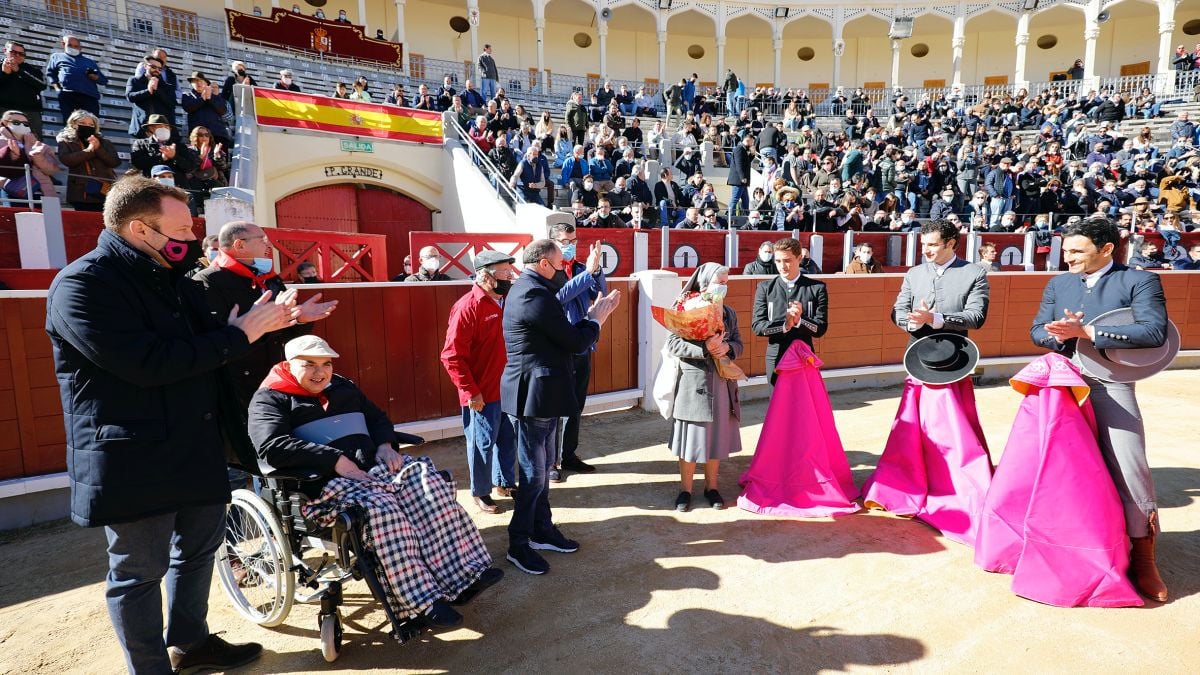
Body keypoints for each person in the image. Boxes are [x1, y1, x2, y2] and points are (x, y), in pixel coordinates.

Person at [45, 176, 298, 673]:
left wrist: (261, 324)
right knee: (138, 572)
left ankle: (191, 641)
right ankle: (150, 668)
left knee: (200, 549)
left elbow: (213, 344)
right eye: (181, 229)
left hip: (193, 442)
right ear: (141, 229)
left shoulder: (173, 279)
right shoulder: (82, 285)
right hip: (131, 456)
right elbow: (147, 363)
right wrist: (237, 336)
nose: (191, 238)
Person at [248, 335, 503, 631]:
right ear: (290, 365)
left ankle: (462, 576)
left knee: (429, 486)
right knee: (382, 510)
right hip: (325, 483)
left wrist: (384, 444)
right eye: (309, 365)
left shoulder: (341, 386)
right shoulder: (270, 397)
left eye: (326, 364)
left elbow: (377, 417)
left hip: (373, 467)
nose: (320, 373)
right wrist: (332, 460)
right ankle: (421, 602)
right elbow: (272, 446)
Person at [1029, 216, 1170, 602]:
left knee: (1129, 462)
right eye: (1066, 249)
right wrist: (1057, 333)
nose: (1068, 257)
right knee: (1053, 462)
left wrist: (1088, 332)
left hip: (1111, 381)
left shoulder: (1138, 280)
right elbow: (1037, 329)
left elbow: (1154, 331)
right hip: (1064, 379)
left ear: (1106, 249)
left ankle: (1143, 553)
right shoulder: (1059, 283)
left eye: (1077, 250)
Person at [862, 220, 992, 546]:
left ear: (951, 243)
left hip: (952, 361)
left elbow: (976, 317)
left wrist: (936, 319)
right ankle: (908, 481)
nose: (926, 250)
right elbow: (898, 309)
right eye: (924, 244)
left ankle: (953, 484)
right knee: (912, 427)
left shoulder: (973, 273)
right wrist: (909, 318)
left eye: (933, 244)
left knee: (951, 428)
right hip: (917, 357)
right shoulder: (914, 273)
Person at [501, 239, 621, 575]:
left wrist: (591, 313)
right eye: (558, 266)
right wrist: (596, 319)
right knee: (534, 475)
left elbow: (565, 332)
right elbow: (572, 340)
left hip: (544, 392)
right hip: (534, 395)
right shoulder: (531, 293)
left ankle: (541, 529)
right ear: (542, 264)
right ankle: (518, 542)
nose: (561, 272)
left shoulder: (533, 289)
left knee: (541, 472)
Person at [190, 220, 336, 408]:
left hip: (275, 373)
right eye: (262, 239)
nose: (268, 244)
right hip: (235, 383)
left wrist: (300, 319)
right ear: (240, 245)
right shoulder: (207, 281)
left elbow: (284, 330)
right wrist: (260, 323)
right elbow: (214, 339)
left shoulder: (269, 277)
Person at [441, 251, 519, 513]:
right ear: (486, 276)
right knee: (481, 444)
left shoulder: (506, 301)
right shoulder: (467, 306)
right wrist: (470, 392)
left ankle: (504, 482)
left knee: (508, 439)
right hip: (482, 393)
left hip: (507, 388)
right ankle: (480, 492)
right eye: (505, 272)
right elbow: (452, 356)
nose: (510, 276)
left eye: (510, 271)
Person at [664, 263, 742, 512]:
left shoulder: (728, 313)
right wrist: (703, 349)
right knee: (691, 439)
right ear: (705, 282)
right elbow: (673, 345)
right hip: (693, 380)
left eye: (726, 282)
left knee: (716, 437)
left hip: (721, 381)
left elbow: (739, 343)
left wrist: (727, 348)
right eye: (719, 281)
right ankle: (684, 490)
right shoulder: (686, 308)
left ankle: (712, 487)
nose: (723, 286)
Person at [548, 223, 607, 482]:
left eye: (573, 239)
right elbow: (559, 297)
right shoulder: (548, 272)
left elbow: (599, 291)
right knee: (553, 406)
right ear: (553, 243)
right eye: (564, 240)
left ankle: (568, 454)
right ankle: (551, 461)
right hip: (557, 346)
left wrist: (597, 269)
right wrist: (589, 273)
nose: (570, 244)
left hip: (581, 342)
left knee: (575, 404)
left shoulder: (582, 268)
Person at [751, 238, 828, 385]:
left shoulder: (817, 288)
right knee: (778, 403)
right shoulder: (765, 288)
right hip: (776, 354)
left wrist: (800, 321)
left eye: (787, 260)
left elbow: (820, 329)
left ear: (799, 258)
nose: (782, 266)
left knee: (803, 403)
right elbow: (757, 327)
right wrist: (785, 325)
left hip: (804, 354)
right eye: (778, 261)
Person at [56, 109, 119, 211]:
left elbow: (115, 162)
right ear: (73, 124)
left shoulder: (105, 142)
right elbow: (67, 160)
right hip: (81, 193)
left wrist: (99, 149)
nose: (87, 126)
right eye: (83, 123)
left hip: (104, 191)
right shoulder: (66, 141)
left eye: (91, 124)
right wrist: (89, 150)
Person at [47, 34, 107, 120]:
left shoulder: (89, 62)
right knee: (69, 124)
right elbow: (51, 74)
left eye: (76, 46)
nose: (73, 48)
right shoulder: (56, 57)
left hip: (89, 97)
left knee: (91, 124)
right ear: (63, 44)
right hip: (67, 95)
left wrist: (95, 77)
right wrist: (57, 89)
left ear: (80, 47)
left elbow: (103, 80)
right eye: (70, 45)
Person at [0, 41, 47, 140]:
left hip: (31, 112)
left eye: (21, 54)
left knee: (34, 144)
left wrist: (19, 71)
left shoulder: (33, 70)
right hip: (3, 110)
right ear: (5, 51)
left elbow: (42, 85)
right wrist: (3, 73)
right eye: (13, 52)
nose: (17, 55)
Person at [181, 72, 231, 149]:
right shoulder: (187, 95)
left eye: (201, 81)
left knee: (219, 159)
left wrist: (210, 98)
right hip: (198, 136)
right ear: (191, 83)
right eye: (195, 81)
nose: (198, 83)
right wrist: (203, 99)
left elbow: (223, 111)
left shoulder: (216, 96)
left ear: (206, 83)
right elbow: (188, 107)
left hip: (218, 135)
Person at [727, 134, 753, 221]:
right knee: (735, 198)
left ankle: (747, 217)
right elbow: (739, 164)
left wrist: (752, 155)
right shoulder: (739, 149)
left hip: (742, 181)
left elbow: (746, 162)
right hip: (739, 180)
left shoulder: (744, 150)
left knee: (745, 200)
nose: (752, 144)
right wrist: (742, 177)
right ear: (747, 140)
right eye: (751, 141)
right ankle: (730, 216)